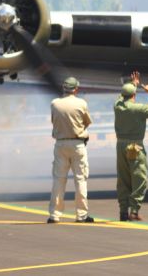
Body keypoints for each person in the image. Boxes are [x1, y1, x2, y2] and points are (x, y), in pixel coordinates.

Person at [114, 71, 148, 221]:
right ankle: (134, 211)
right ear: (134, 96)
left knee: (123, 179)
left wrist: (133, 84)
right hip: (135, 146)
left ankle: (123, 211)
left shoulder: (117, 106)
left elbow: (122, 97)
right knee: (139, 178)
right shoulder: (138, 109)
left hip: (120, 145)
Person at [47, 76, 94, 224]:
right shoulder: (81, 103)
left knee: (59, 180)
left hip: (60, 144)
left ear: (63, 88)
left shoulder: (55, 103)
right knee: (80, 179)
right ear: (76, 89)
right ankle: (81, 215)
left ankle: (54, 215)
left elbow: (54, 121)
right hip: (77, 144)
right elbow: (87, 122)